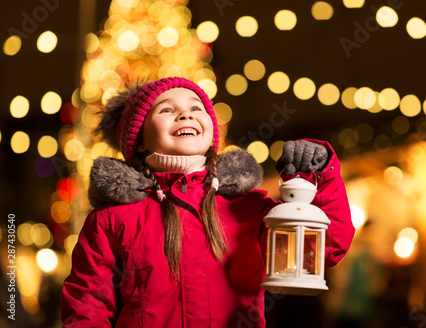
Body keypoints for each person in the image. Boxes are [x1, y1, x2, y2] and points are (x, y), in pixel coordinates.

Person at [60, 77, 355, 327]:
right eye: (166, 110)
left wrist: (320, 174)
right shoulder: (113, 220)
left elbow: (320, 250)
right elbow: (89, 304)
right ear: (138, 139)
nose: (185, 115)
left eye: (195, 108)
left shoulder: (247, 209)